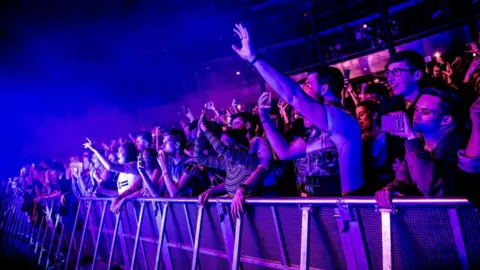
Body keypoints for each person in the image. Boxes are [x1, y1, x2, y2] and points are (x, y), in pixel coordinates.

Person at [231, 24, 363, 195]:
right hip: (322, 213)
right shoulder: (317, 129)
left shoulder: (341, 118)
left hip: (346, 214)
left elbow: (294, 97)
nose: (303, 89)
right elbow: (284, 153)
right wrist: (265, 119)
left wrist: (254, 59)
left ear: (323, 89)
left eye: (308, 85)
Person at [375, 88, 470, 208]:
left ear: (446, 120)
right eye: (416, 109)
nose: (416, 116)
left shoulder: (462, 148)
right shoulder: (419, 143)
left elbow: (435, 191)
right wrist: (390, 190)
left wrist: (410, 137)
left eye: (425, 112)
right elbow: (403, 178)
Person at [195, 110, 260, 218]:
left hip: (255, 213)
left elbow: (222, 149)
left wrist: (204, 128)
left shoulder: (246, 157)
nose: (221, 147)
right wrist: (199, 133)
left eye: (225, 143)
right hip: (239, 214)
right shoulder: (228, 163)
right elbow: (199, 158)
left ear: (236, 145)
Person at [83, 139, 141, 213]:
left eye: (120, 151)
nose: (117, 154)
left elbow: (110, 167)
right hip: (126, 208)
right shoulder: (122, 172)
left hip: (137, 208)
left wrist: (95, 150)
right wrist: (103, 191)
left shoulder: (133, 165)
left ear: (129, 152)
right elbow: (120, 192)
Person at [157, 129, 207, 198]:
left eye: (166, 142)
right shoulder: (170, 164)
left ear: (177, 145)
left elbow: (174, 194)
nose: (162, 146)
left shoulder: (191, 164)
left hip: (195, 207)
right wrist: (142, 172)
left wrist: (164, 169)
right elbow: (157, 193)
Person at [385, 50, 426, 118]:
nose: (390, 78)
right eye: (388, 73)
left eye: (396, 72)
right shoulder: (392, 107)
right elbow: (388, 128)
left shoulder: (433, 106)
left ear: (417, 75)